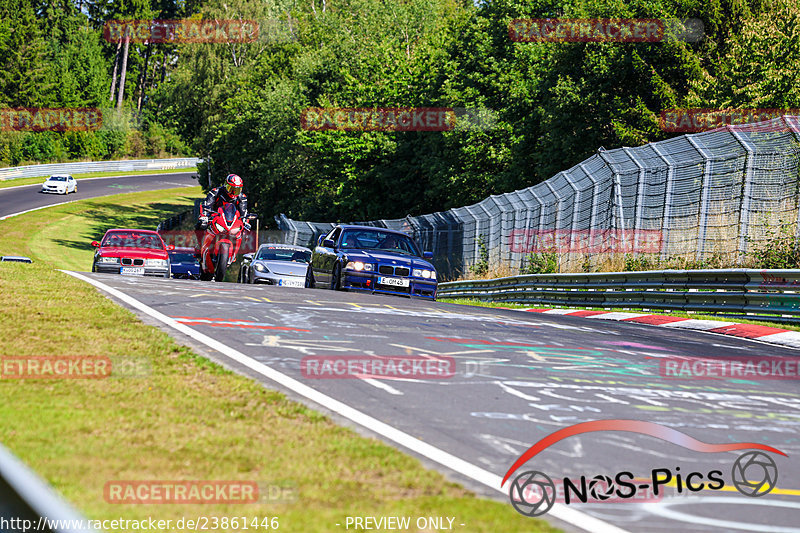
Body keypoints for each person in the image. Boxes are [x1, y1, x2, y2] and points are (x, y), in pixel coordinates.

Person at [195, 174, 250, 247]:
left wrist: (245, 222)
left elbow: (244, 212)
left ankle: (235, 253)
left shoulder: (242, 197)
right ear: (225, 185)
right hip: (215, 217)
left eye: (236, 190)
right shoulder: (216, 192)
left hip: (232, 221)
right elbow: (207, 204)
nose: (233, 193)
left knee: (244, 232)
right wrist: (204, 216)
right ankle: (199, 245)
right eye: (231, 189)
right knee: (200, 225)